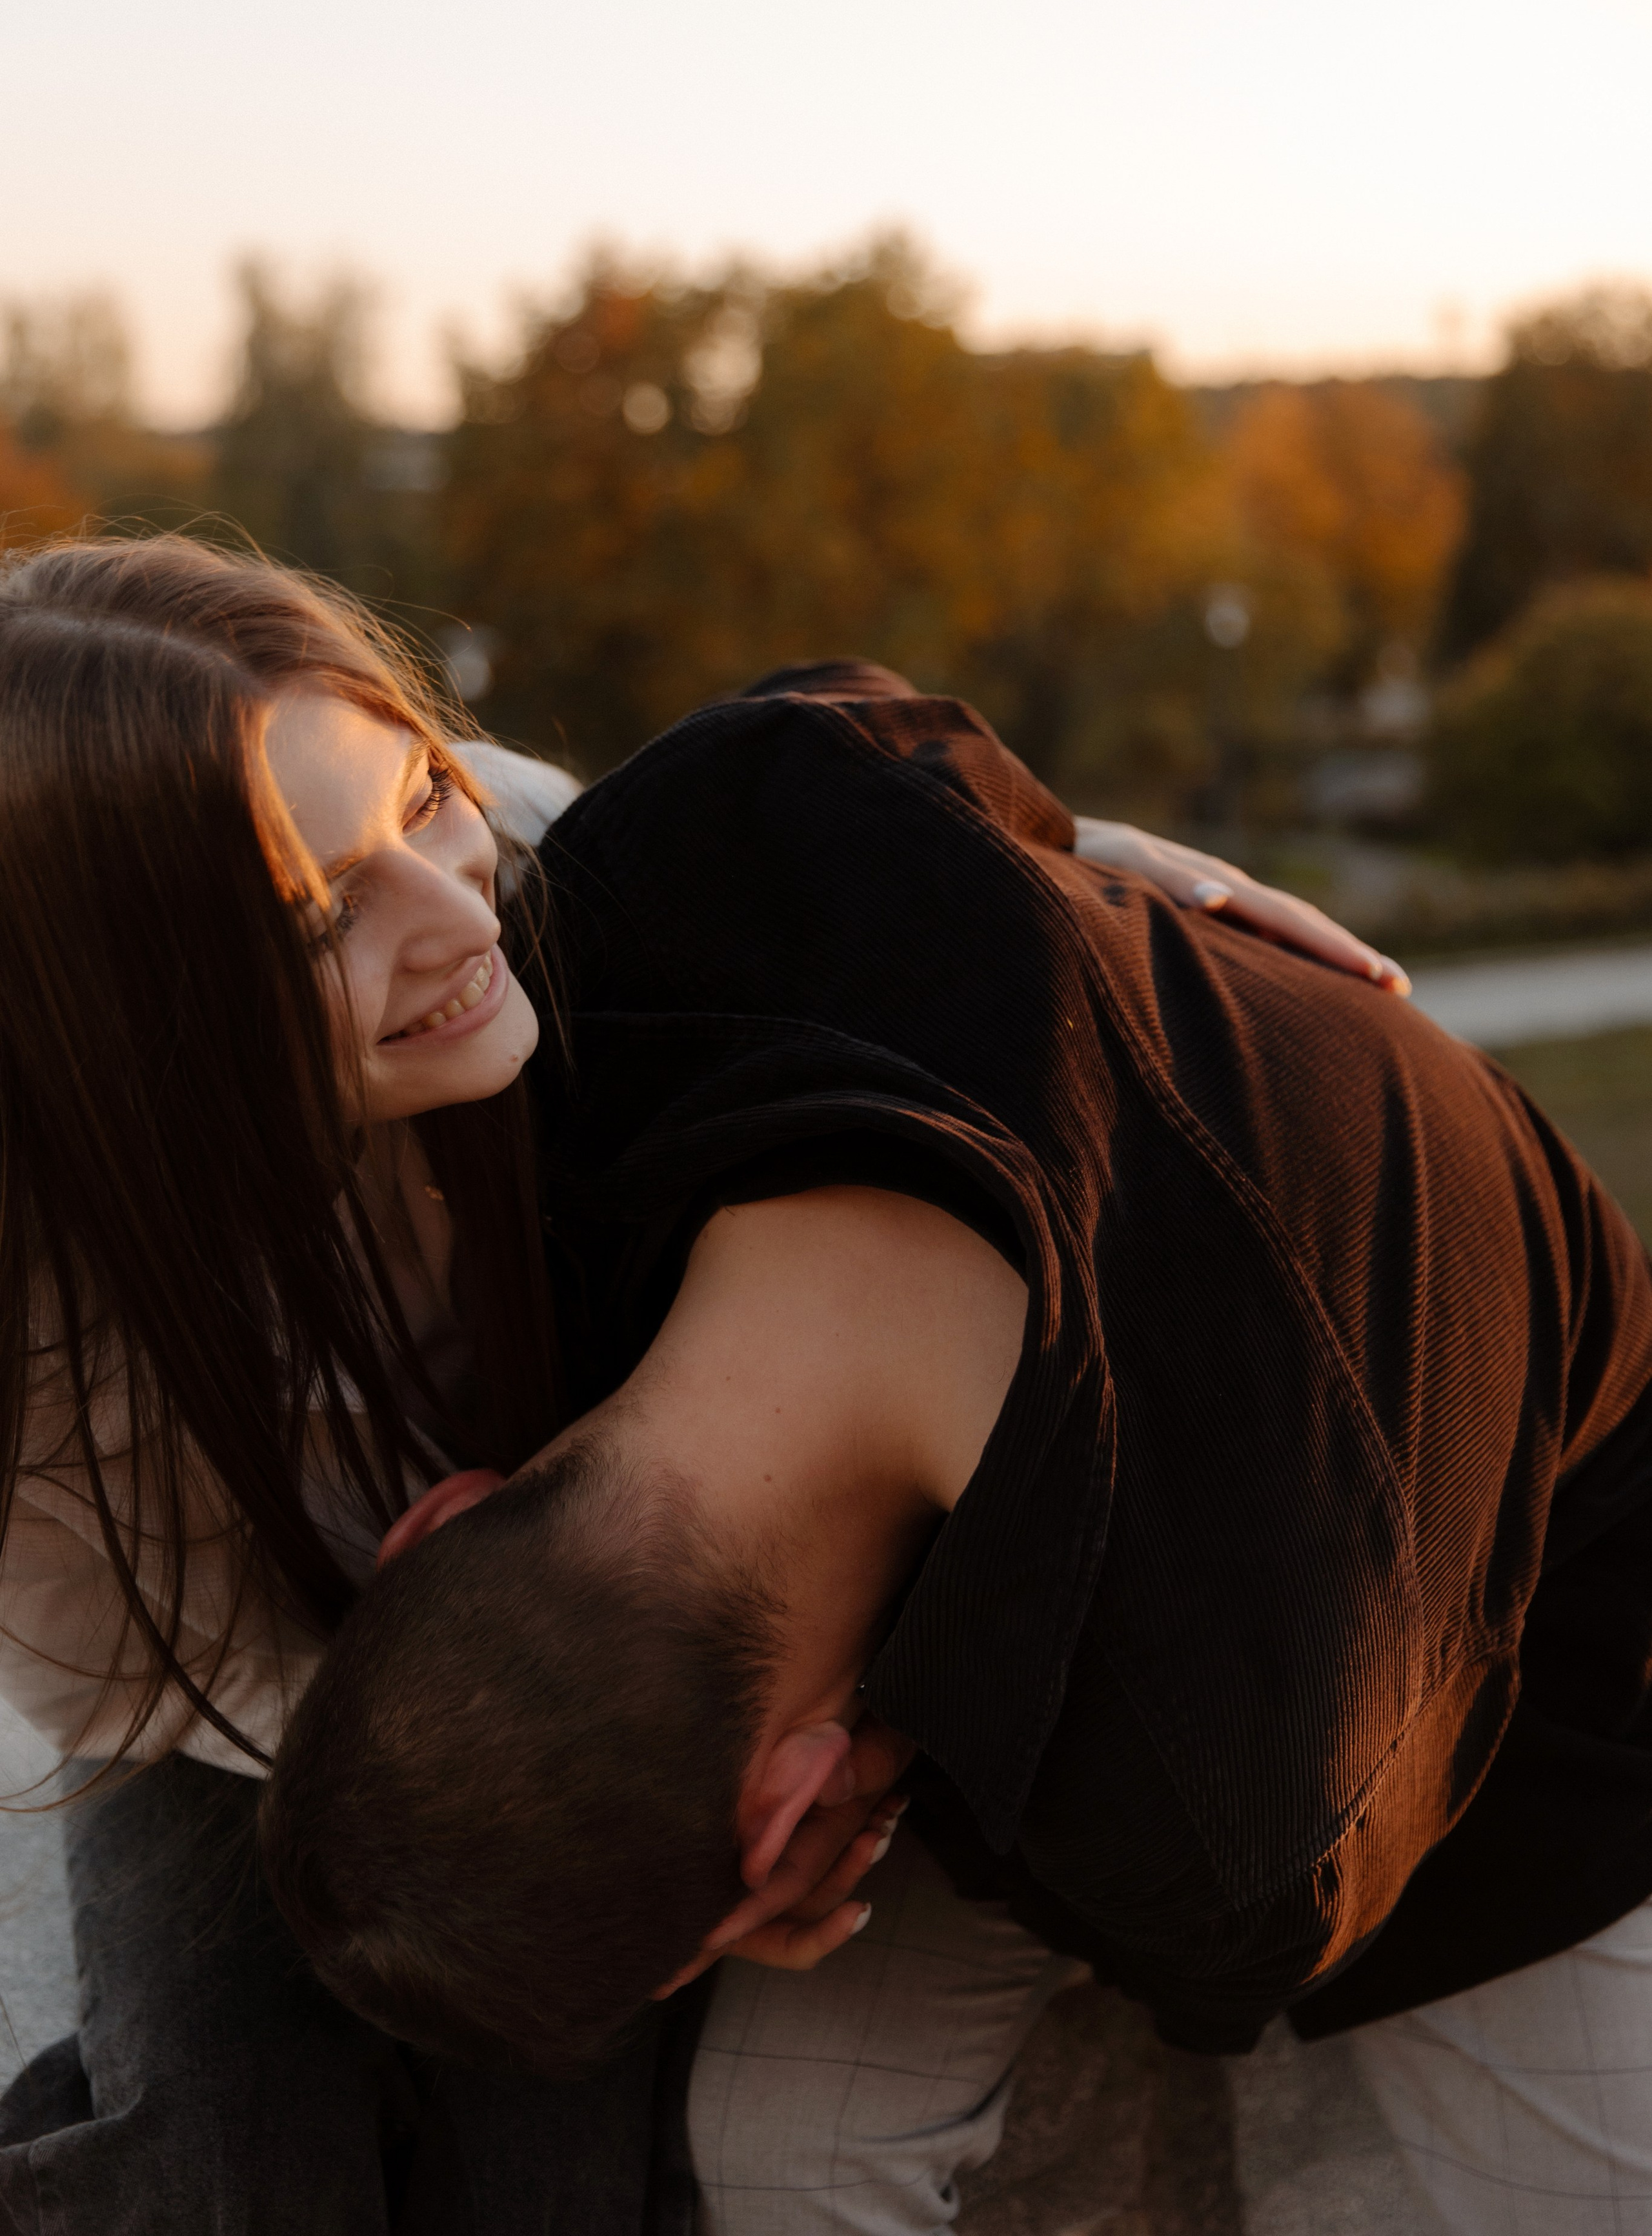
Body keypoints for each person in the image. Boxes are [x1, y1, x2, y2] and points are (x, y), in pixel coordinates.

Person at [0, 539, 1375, 2233]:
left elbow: (856, 871)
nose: (455, 918)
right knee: (228, 2159)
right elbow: (132, 1687)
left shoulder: (541, 873)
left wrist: (1084, 869)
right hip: (245, 1708)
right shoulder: (41, 1305)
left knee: (565, 2167)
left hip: (598, 1632)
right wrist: (499, 1782)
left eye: (420, 794)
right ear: (114, 1029)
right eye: (314, 917)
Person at [262, 658, 1652, 2236]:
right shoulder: (682, 869)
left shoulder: (1225, 1787)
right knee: (792, 2147)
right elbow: (872, 729)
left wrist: (894, 1765)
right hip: (1268, 1466)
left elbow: (1249, 1919)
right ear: (442, 1521)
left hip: (1546, 1582)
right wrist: (1069, 867)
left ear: (790, 1823)